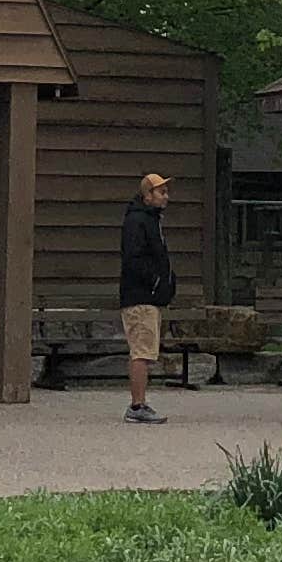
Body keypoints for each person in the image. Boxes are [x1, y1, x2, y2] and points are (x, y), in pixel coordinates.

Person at [118, 170, 180, 422]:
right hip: (140, 296)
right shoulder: (137, 222)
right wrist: (154, 282)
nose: (166, 197)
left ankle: (140, 403)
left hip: (149, 296)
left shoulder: (151, 220)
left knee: (145, 350)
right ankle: (136, 406)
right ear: (147, 195)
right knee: (141, 351)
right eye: (161, 192)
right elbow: (133, 258)